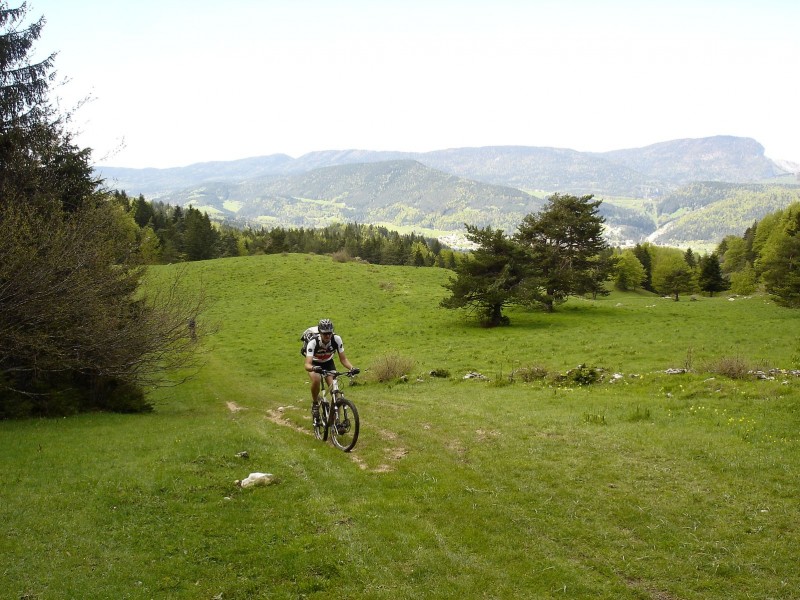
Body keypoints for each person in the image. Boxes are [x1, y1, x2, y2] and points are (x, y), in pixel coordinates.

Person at [304, 318, 356, 426]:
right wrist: (313, 368)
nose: (327, 336)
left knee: (335, 389)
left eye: (329, 333)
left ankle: (335, 420)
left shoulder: (336, 339)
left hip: (328, 363)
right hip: (314, 364)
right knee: (317, 379)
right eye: (325, 334)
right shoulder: (313, 342)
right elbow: (307, 364)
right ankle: (315, 403)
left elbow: (343, 359)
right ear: (320, 333)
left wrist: (352, 368)